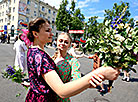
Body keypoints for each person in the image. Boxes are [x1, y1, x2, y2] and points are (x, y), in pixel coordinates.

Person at [25, 17, 120, 102]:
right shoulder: (41, 56)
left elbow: (41, 78)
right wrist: (100, 72)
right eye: (47, 31)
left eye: (66, 42)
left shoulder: (33, 51)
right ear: (35, 33)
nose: (51, 33)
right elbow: (61, 90)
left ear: (70, 45)